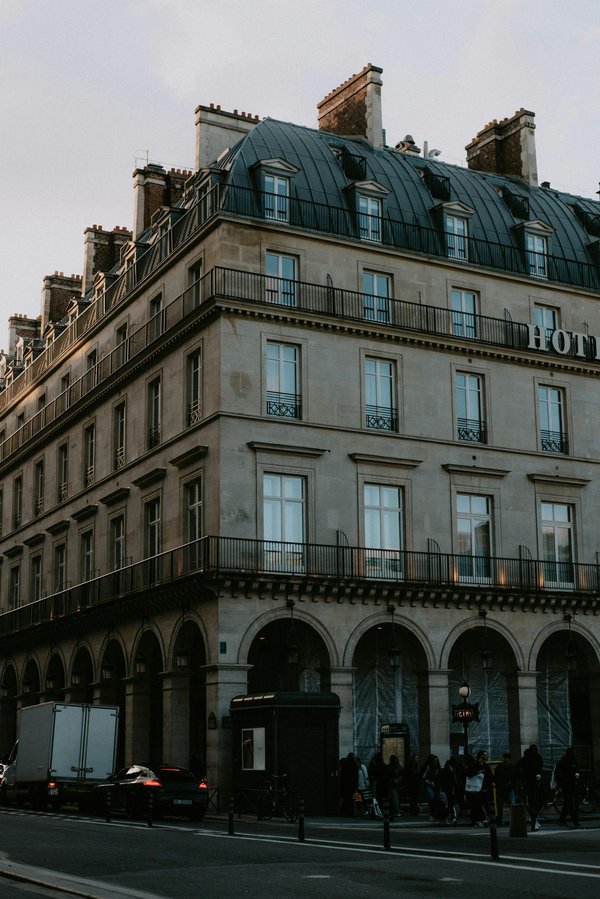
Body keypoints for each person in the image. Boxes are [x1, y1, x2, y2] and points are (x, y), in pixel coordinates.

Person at [517, 743, 544, 830]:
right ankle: (534, 820)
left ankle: (534, 820)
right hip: (531, 783)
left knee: (533, 803)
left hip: (531, 783)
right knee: (533, 802)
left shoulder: (535, 759)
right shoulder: (533, 759)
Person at [465, 749, 493, 826]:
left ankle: (482, 819)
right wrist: (478, 772)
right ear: (480, 756)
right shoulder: (474, 765)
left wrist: (488, 786)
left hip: (484, 789)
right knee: (476, 805)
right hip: (476, 789)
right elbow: (468, 773)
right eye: (484, 755)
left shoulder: (486, 766)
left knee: (483, 805)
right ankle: (478, 820)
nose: (486, 756)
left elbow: (489, 777)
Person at [555, 747, 580, 827]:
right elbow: (558, 774)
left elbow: (577, 770)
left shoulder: (572, 761)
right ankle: (574, 821)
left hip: (571, 784)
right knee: (569, 803)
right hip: (566, 785)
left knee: (569, 803)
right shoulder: (564, 762)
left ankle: (563, 819)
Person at [493, 752, 516, 825]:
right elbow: (496, 778)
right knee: (503, 805)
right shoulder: (502, 767)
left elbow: (515, 778)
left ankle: (505, 820)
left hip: (506, 788)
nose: (505, 760)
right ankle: (502, 820)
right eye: (505, 758)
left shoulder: (501, 767)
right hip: (503, 788)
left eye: (507, 758)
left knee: (508, 804)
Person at [420, 754, 445, 821]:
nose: (436, 762)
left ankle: (434, 814)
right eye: (435, 760)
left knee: (436, 799)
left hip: (436, 786)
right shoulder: (429, 767)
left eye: (437, 760)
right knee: (432, 798)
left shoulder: (438, 769)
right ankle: (432, 814)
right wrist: (430, 782)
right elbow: (424, 777)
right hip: (430, 785)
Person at [441, 755, 462, 824]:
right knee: (451, 803)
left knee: (451, 803)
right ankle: (452, 817)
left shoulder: (451, 769)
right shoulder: (449, 770)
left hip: (452, 789)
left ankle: (445, 815)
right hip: (450, 789)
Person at [339, 752, 358, 816]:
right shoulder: (355, 765)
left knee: (346, 798)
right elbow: (356, 776)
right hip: (352, 784)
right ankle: (351, 811)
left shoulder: (345, 764)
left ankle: (344, 811)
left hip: (345, 784)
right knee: (352, 799)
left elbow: (342, 775)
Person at [386, 754, 403, 821]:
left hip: (395, 785)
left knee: (394, 798)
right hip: (394, 785)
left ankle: (396, 810)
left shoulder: (392, 767)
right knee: (395, 798)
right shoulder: (396, 767)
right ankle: (396, 810)